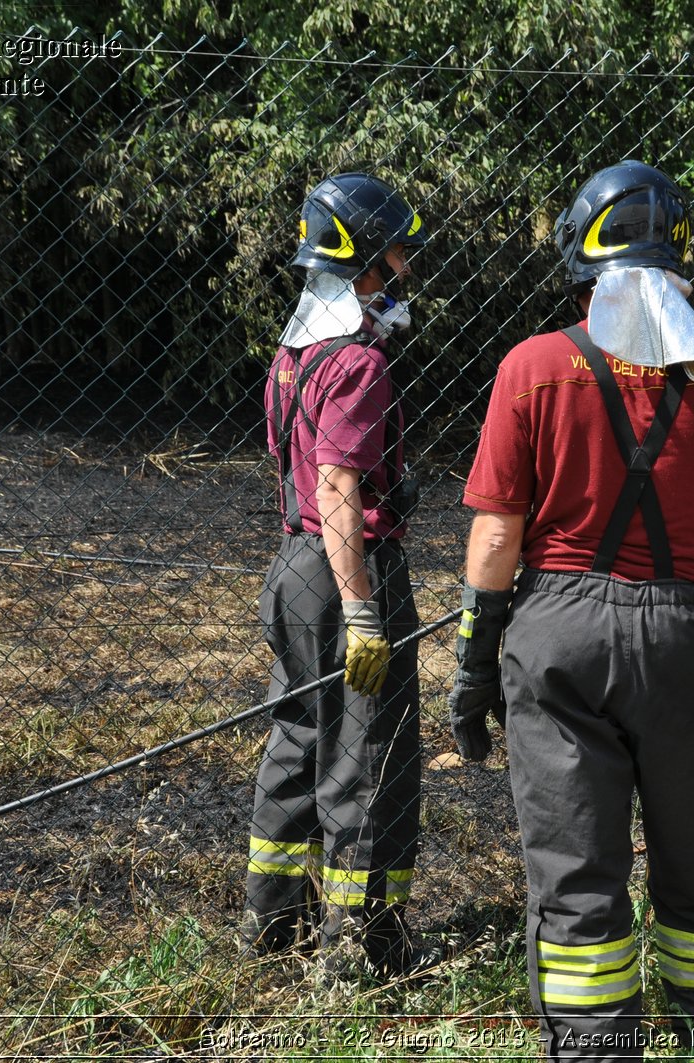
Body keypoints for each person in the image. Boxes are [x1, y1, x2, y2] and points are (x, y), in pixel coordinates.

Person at [446, 161, 694, 1059]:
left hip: (558, 640)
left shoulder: (532, 368)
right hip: (683, 637)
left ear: (582, 259)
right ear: (678, 259)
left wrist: (473, 662)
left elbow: (496, 539)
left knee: (579, 879)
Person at [242, 171, 426, 979]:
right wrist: (362, 610)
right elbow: (338, 487)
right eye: (396, 253)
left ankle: (271, 923)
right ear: (363, 263)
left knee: (296, 740)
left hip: (289, 569)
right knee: (367, 756)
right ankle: (359, 950)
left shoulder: (294, 353)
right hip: (347, 570)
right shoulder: (359, 364)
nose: (407, 271)